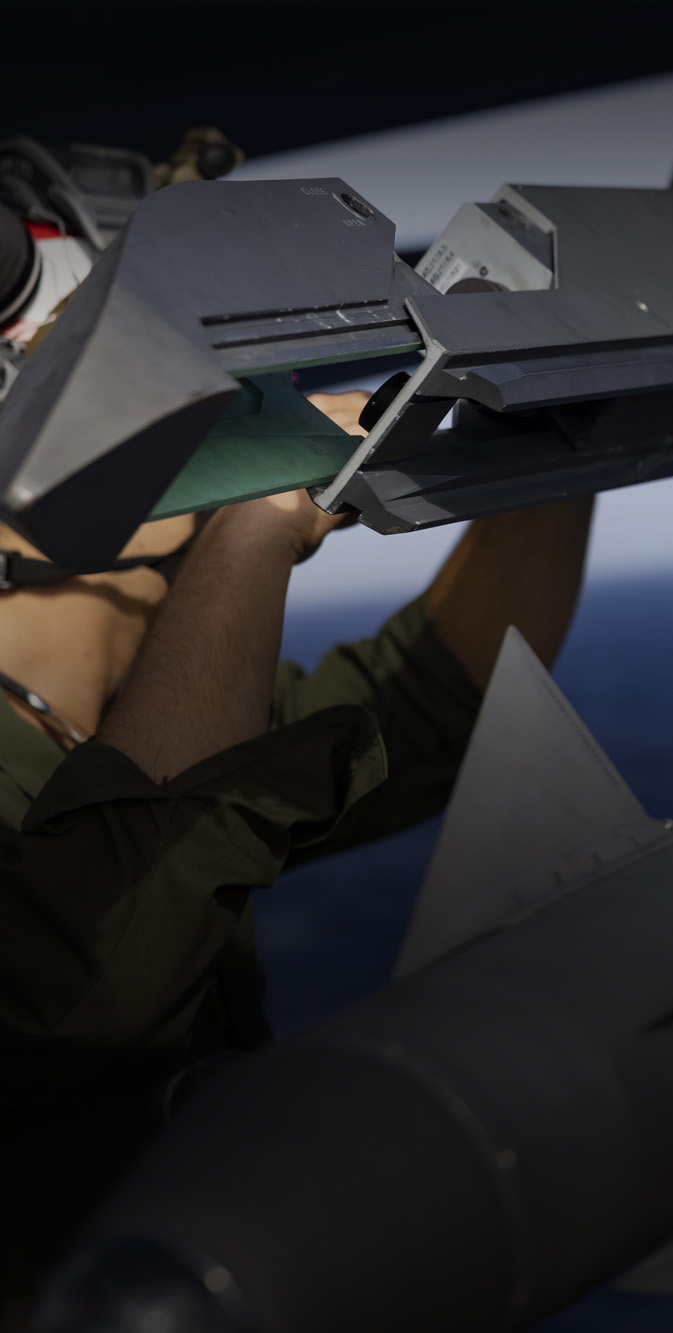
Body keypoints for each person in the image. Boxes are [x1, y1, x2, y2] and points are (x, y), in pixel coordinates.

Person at [0, 383, 595, 1329]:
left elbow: (439, 700)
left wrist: (548, 420)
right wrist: (256, 526)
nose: (229, 429)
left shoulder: (143, 714)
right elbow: (88, 978)